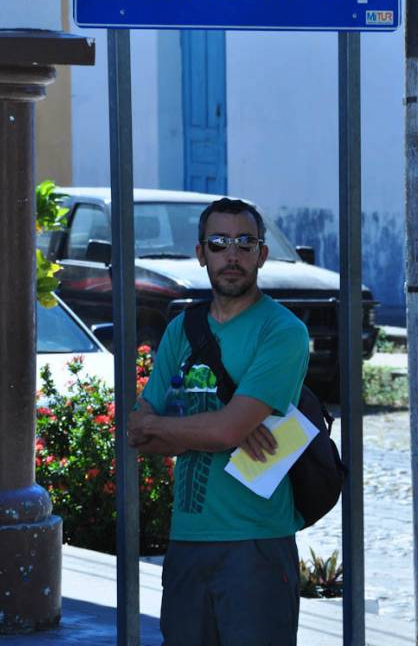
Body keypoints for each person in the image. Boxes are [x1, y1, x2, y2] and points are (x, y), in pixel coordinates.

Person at [128, 196, 309, 646]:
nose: (232, 255)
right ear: (200, 253)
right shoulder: (182, 329)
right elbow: (137, 433)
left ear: (262, 255)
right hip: (187, 539)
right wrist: (219, 428)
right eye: (219, 243)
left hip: (256, 543)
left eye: (245, 243)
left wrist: (202, 428)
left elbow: (221, 430)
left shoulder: (282, 331)